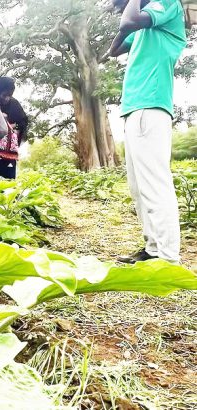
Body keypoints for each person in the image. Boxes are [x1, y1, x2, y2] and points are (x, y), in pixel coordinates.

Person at [107, 0, 185, 264]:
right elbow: (114, 48)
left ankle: (168, 258)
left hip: (150, 106)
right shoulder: (143, 29)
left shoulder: (168, 4)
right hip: (135, 109)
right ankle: (153, 249)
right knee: (139, 187)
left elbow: (128, 21)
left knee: (155, 184)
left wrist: (133, 3)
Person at [0, 77, 28, 179]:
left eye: (9, 95)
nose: (7, 98)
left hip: (8, 155)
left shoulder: (14, 104)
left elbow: (23, 122)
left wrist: (12, 125)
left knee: (8, 186)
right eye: (4, 95)